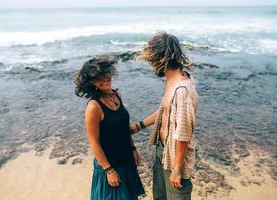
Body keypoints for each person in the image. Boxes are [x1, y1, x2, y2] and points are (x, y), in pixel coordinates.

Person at [132, 32, 198, 200]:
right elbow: (164, 111)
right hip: (162, 149)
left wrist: (176, 170)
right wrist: (138, 126)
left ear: (161, 59)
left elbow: (184, 134)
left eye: (152, 60)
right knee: (160, 197)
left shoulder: (182, 90)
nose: (151, 65)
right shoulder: (171, 80)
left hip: (175, 157)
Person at [74, 56, 145, 200]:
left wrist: (133, 148)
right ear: (91, 83)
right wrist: (108, 170)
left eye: (105, 74)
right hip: (110, 166)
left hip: (126, 162)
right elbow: (94, 142)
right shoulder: (94, 107)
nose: (104, 79)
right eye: (97, 78)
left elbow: (124, 129)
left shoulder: (116, 95)